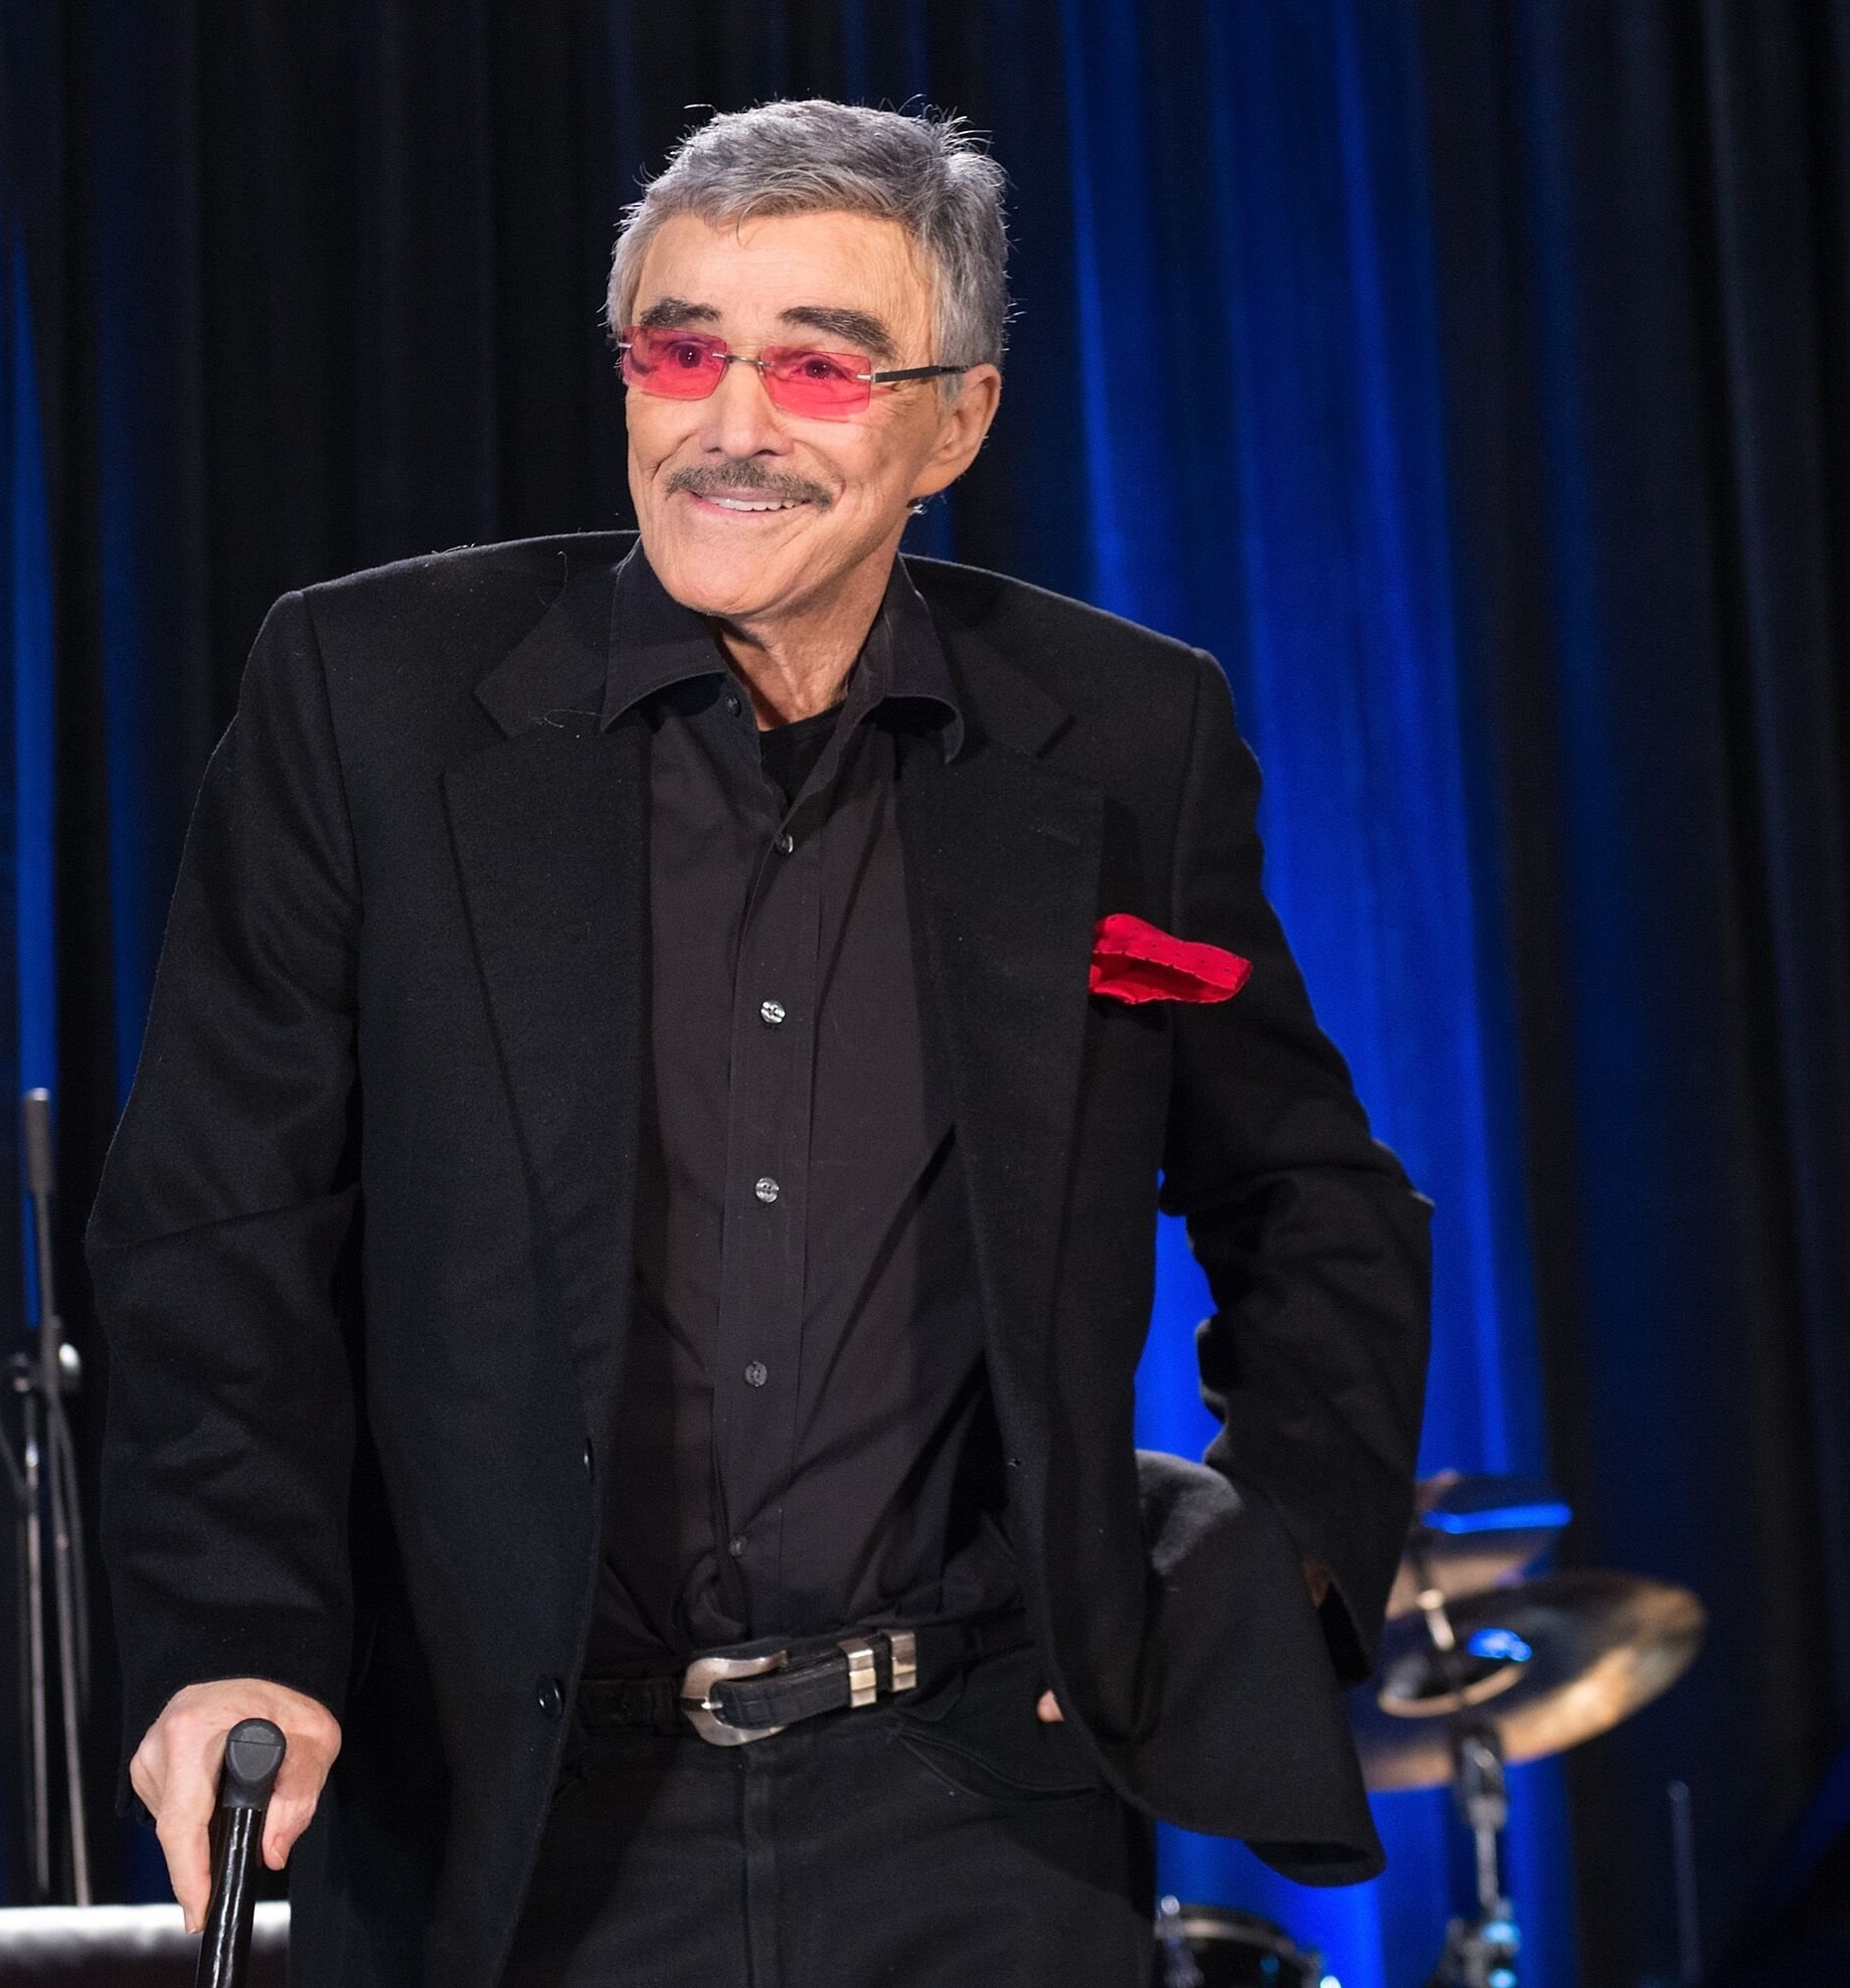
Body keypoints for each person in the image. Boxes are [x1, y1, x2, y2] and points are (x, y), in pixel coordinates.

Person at [89, 97, 1430, 1988]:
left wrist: (1264, 1583)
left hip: (973, 1809)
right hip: (516, 1807)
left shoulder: (1125, 736)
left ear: (951, 424)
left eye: (819, 365)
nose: (733, 424)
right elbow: (220, 1232)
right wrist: (238, 1625)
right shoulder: (369, 696)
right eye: (682, 349)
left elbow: (1313, 1197)